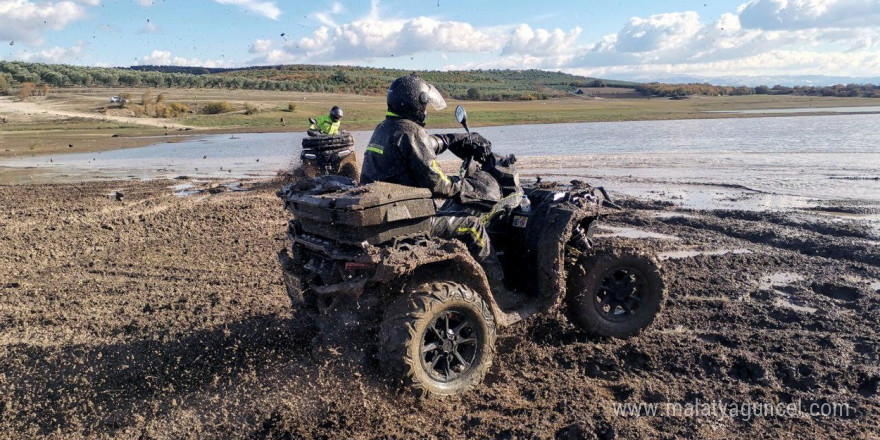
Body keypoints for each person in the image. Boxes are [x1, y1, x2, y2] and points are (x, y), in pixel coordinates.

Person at [360, 74, 508, 289]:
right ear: (415, 103)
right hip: (407, 221)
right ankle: (497, 288)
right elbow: (438, 184)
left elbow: (419, 147)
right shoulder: (411, 131)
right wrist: (468, 186)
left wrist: (448, 140)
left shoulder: (385, 127)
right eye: (425, 104)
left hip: (385, 217)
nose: (426, 110)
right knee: (474, 226)